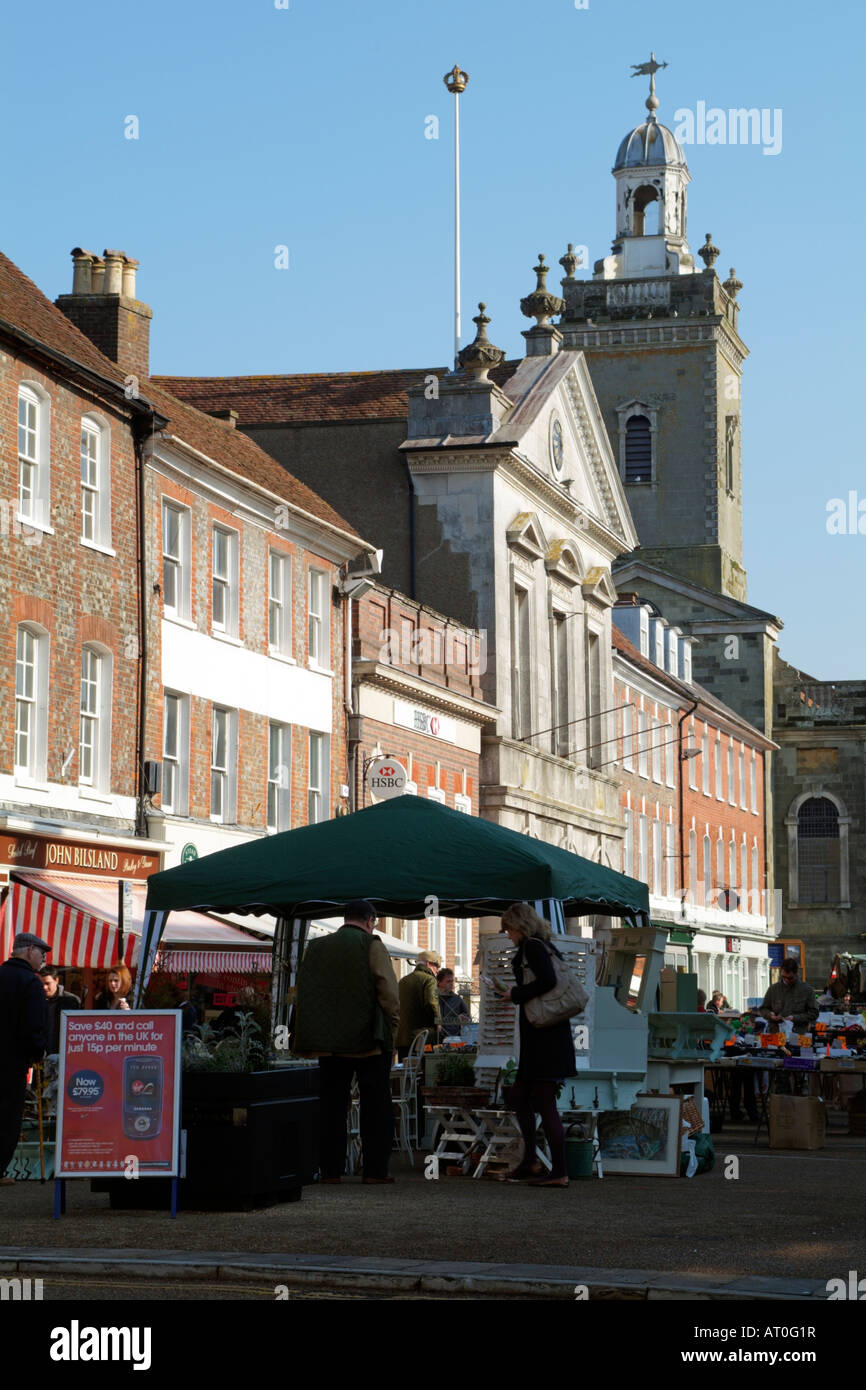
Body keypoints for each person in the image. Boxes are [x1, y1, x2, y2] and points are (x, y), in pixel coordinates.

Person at [292, 899, 399, 1184]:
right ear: (370, 921)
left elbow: (304, 991)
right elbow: (388, 992)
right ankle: (375, 1172)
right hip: (368, 1042)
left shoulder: (316, 947)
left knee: (331, 1107)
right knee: (375, 1105)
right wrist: (393, 1025)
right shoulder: (371, 945)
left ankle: (330, 1170)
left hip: (327, 1043)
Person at [495, 903, 576, 1188]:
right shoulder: (542, 945)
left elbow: (548, 981)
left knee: (543, 1101)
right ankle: (530, 1160)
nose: (507, 935)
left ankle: (559, 1172)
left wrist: (515, 993)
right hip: (543, 1035)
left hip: (545, 1037)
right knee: (520, 1096)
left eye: (508, 929)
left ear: (520, 926)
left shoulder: (533, 947)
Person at [0, 932, 49, 1181]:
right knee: (7, 1117)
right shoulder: (30, 982)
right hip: (12, 1063)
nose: (43, 960)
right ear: (30, 950)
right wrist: (38, 1050)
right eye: (42, 953)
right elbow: (32, 1027)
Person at [396, 950, 442, 1059]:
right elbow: (432, 1003)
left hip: (403, 1039)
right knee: (424, 1071)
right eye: (436, 966)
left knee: (406, 1070)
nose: (437, 970)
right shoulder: (430, 980)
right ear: (428, 964)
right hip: (422, 1038)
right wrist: (439, 1023)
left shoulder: (403, 980)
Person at [759, 958, 818, 1033]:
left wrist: (794, 1018)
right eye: (783, 977)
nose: (786, 980)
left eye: (790, 978)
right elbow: (763, 1009)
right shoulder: (773, 989)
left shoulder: (807, 990)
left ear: (796, 974)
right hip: (776, 1032)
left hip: (798, 1033)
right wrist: (770, 1015)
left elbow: (814, 1013)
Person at [39, 966, 81, 1053]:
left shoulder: (71, 1000)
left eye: (47, 983)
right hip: (41, 1055)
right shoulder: (36, 1000)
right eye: (41, 984)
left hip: (64, 1053)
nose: (44, 987)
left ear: (56, 981)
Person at [437, 968, 470, 1038]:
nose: (451, 984)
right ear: (439, 982)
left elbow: (468, 1017)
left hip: (453, 1039)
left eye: (452, 981)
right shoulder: (433, 998)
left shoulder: (457, 999)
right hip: (435, 1038)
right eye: (448, 981)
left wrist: (463, 1018)